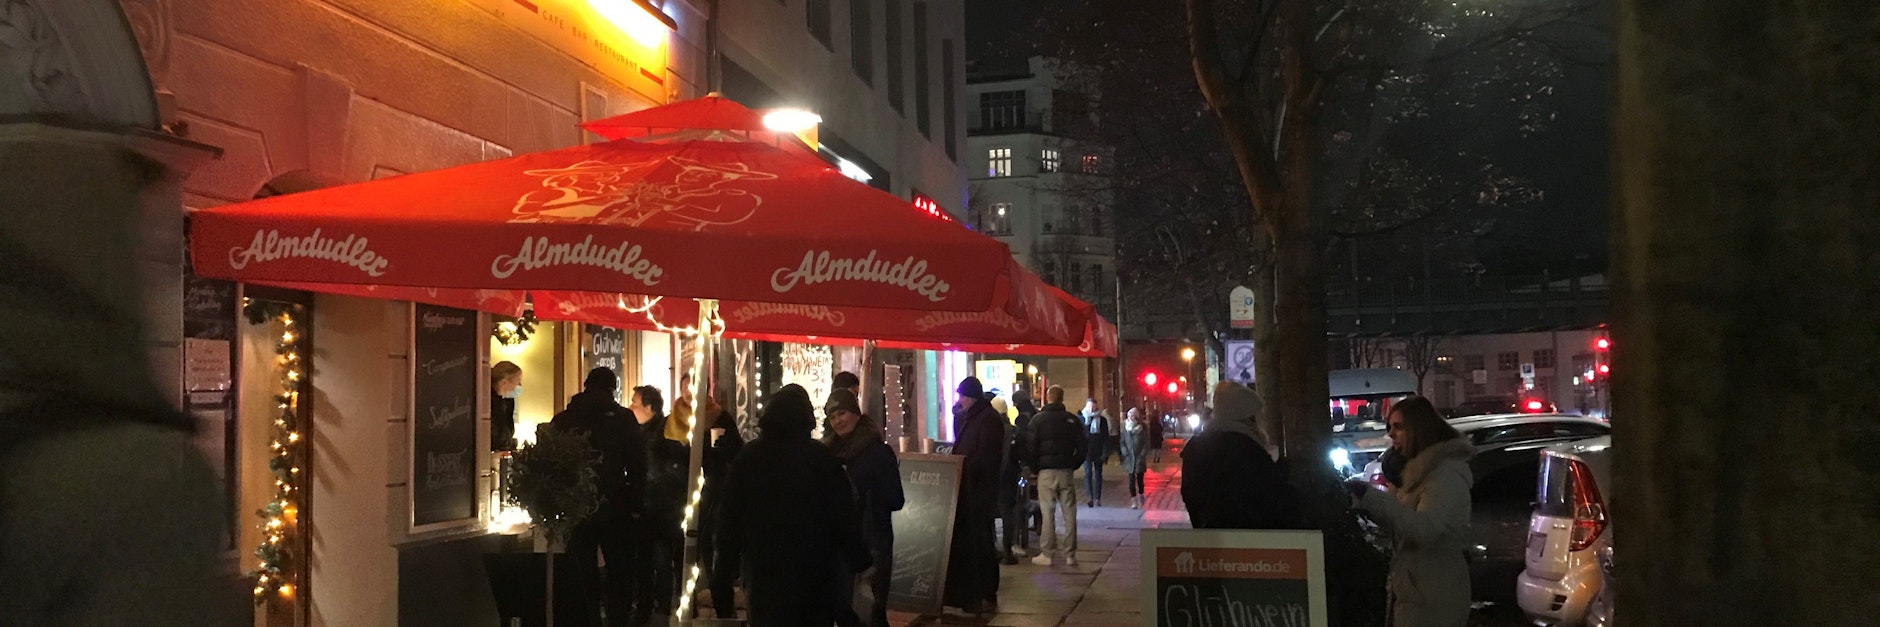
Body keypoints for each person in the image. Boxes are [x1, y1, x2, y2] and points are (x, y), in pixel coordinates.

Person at [716, 385, 869, 627]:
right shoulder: (820, 459)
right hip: (814, 574)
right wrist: (860, 559)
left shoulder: (749, 459)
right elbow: (843, 516)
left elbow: (728, 520)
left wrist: (722, 575)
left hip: (764, 573)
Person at [1349, 396, 1473, 627]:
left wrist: (1375, 499)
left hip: (1434, 594)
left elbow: (1424, 529)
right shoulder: (1413, 475)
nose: (1391, 435)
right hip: (1416, 590)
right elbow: (1402, 526)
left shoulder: (1443, 476)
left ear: (1419, 430)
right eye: (1390, 428)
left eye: (1398, 427)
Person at [548, 367, 648, 627]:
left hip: (576, 506)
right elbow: (638, 464)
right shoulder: (624, 419)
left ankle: (587, 619)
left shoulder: (564, 419)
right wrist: (635, 504)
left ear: (585, 385)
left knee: (581, 572)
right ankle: (617, 620)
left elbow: (551, 461)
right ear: (612, 388)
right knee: (619, 571)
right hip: (616, 505)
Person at [821, 388, 904, 627]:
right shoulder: (830, 454)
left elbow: (896, 499)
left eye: (842, 413)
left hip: (873, 542)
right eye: (832, 416)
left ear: (856, 413)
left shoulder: (878, 452)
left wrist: (866, 493)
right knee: (846, 611)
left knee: (870, 612)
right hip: (841, 545)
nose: (837, 421)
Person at [1181, 382, 1300, 529]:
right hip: (1252, 541)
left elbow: (1191, 497)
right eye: (1258, 415)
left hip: (1212, 540)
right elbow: (1272, 497)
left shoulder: (1196, 449)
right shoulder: (1250, 450)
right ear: (1249, 419)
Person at [943, 377, 1005, 614]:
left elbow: (987, 457)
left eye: (962, 396)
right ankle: (972, 592)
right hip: (969, 490)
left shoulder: (988, 419)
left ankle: (986, 591)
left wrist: (963, 465)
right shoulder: (972, 417)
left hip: (979, 492)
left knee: (982, 542)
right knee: (974, 543)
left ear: (971, 397)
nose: (960, 401)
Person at [631, 385, 686, 626]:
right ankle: (651, 605)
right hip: (652, 506)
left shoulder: (664, 432)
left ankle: (658, 607)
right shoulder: (641, 431)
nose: (631, 407)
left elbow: (667, 468)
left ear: (649, 408)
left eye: (635, 403)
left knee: (659, 559)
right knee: (648, 559)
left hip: (661, 506)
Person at [1025, 385, 1087, 567]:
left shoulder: (1037, 420)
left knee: (1047, 512)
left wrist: (1036, 467)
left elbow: (1030, 447)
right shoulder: (1072, 420)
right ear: (1062, 398)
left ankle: (1048, 553)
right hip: (1066, 471)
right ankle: (1070, 554)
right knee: (1069, 512)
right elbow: (1083, 446)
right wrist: (1073, 464)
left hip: (1046, 472)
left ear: (1047, 397)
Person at [999, 394, 1036, 564]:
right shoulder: (1014, 429)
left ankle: (1002, 545)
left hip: (996, 478)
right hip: (1011, 476)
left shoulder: (991, 429)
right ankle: (1011, 545)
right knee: (1012, 508)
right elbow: (1024, 452)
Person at [1080, 398, 1110, 507]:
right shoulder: (1082, 419)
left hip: (1098, 451)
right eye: (1089, 407)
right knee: (1087, 473)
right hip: (1086, 451)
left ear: (1096, 407)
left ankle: (1097, 498)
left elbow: (1106, 438)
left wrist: (1105, 452)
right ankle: (1089, 497)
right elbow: (1079, 436)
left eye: (1093, 407)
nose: (1091, 409)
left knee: (1098, 475)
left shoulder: (1102, 420)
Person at [1119, 409, 1151, 510]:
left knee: (1140, 479)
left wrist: (1142, 455)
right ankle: (1133, 500)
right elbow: (1122, 442)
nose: (1131, 417)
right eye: (1129, 415)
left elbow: (1147, 443)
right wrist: (1125, 452)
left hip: (1139, 458)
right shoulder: (1125, 428)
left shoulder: (1142, 428)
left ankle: (1141, 493)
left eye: (1133, 416)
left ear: (1137, 417)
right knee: (1131, 480)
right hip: (1129, 458)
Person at [491, 361, 523, 453]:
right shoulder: (488, 402)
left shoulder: (509, 400)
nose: (520, 385)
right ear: (504, 382)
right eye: (518, 381)